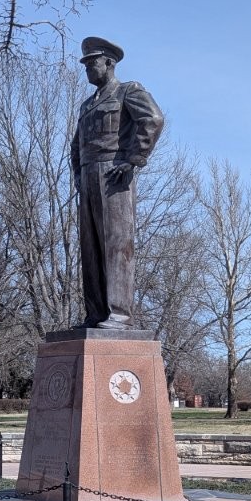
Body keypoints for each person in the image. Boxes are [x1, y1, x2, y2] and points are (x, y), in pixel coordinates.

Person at [71, 37, 164, 329]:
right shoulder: (88, 104)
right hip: (87, 176)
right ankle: (96, 314)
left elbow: (153, 119)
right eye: (85, 64)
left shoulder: (128, 91)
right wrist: (78, 174)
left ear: (109, 63)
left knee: (116, 243)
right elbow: (77, 144)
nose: (87, 69)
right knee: (91, 248)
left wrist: (134, 158)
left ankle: (119, 314)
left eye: (92, 62)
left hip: (114, 174)